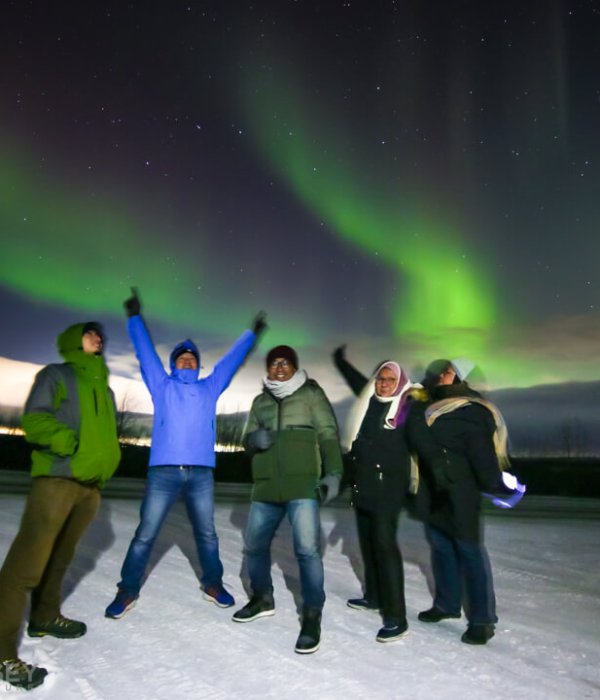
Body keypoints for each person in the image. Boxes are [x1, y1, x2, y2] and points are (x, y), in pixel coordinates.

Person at [105, 290, 265, 619]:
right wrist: (135, 318)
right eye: (182, 357)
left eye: (192, 357)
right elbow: (145, 354)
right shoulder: (161, 385)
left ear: (198, 363)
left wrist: (252, 334)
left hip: (201, 474)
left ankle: (212, 583)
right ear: (174, 363)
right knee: (145, 533)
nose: (188, 360)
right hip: (163, 472)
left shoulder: (210, 386)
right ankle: (127, 589)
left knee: (206, 533)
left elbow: (231, 362)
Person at [0, 322, 121, 690]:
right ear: (73, 340)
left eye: (100, 335)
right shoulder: (57, 375)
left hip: (89, 487)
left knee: (61, 558)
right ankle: (3, 654)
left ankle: (45, 616)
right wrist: (66, 441)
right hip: (56, 479)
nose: (98, 338)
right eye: (90, 333)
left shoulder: (107, 388)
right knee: (25, 567)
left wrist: (107, 462)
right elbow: (34, 419)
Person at [232, 345, 343, 654]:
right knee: (254, 546)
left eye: (286, 363)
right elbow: (246, 441)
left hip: (302, 485)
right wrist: (254, 440)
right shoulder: (260, 401)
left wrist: (333, 473)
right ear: (268, 369)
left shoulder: (310, 394)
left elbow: (329, 434)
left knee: (307, 550)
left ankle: (311, 614)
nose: (279, 367)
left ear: (294, 367)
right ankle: (262, 598)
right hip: (266, 486)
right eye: (274, 363)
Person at [406, 359, 513, 645]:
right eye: (440, 371)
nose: (441, 375)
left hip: (460, 492)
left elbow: (482, 454)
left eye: (448, 372)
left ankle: (482, 619)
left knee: (469, 551)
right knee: (441, 547)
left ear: (459, 379)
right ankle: (447, 604)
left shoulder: (472, 410)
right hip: (433, 490)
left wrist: (496, 484)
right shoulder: (428, 407)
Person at [332, 345, 418, 643]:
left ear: (400, 382)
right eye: (380, 379)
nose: (383, 384)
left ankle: (396, 617)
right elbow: (360, 382)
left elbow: (426, 442)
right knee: (367, 544)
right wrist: (340, 362)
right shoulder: (370, 401)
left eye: (389, 380)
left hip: (389, 490)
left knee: (385, 547)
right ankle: (374, 596)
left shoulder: (408, 408)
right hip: (364, 485)